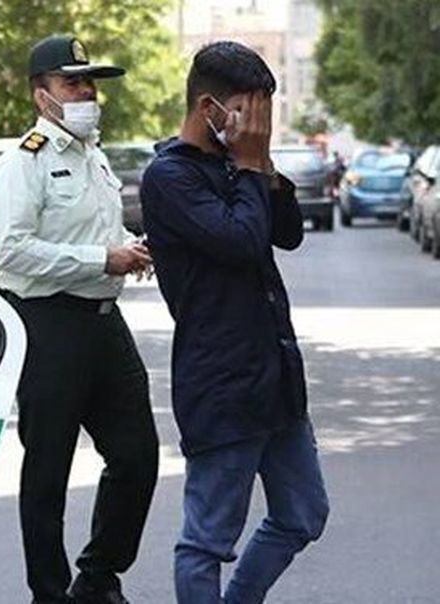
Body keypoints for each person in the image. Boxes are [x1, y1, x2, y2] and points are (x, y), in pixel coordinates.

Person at [139, 41, 329, 603]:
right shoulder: (169, 177)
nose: (260, 128)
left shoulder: (236, 163)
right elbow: (243, 241)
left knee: (303, 514)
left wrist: (261, 164)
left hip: (276, 376)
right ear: (210, 109)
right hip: (222, 383)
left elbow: (287, 233)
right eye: (252, 114)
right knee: (207, 542)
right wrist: (247, 165)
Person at [0, 35, 158, 604]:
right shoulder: (23, 162)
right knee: (48, 473)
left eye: (90, 83)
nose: (86, 93)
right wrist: (101, 259)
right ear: (43, 96)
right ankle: (50, 593)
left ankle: (98, 575)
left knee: (137, 456)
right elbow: (12, 251)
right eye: (73, 83)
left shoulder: (94, 156)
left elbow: (97, 233)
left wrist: (129, 247)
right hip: (48, 323)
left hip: (104, 323)